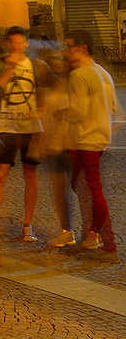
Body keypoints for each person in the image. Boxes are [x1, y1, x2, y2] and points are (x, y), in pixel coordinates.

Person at [0, 26, 51, 243]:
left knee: (30, 175)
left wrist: (42, 110)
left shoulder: (38, 67)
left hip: (31, 128)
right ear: (7, 44)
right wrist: (9, 69)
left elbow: (51, 92)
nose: (16, 46)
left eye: (20, 42)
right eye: (12, 42)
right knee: (0, 176)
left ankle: (27, 225)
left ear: (27, 43)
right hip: (6, 127)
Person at [64, 30, 121, 262]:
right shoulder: (103, 73)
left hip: (84, 140)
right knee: (83, 186)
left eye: (69, 47)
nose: (65, 52)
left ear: (82, 48)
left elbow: (77, 111)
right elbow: (115, 109)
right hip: (97, 139)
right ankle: (93, 234)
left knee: (89, 189)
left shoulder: (79, 75)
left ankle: (103, 240)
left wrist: (57, 114)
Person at [34, 46, 77, 249]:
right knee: (60, 190)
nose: (56, 63)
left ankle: (93, 232)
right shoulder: (47, 89)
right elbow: (43, 117)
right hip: (54, 147)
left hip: (72, 144)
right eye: (53, 61)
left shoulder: (73, 84)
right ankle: (66, 230)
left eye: (60, 59)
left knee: (80, 189)